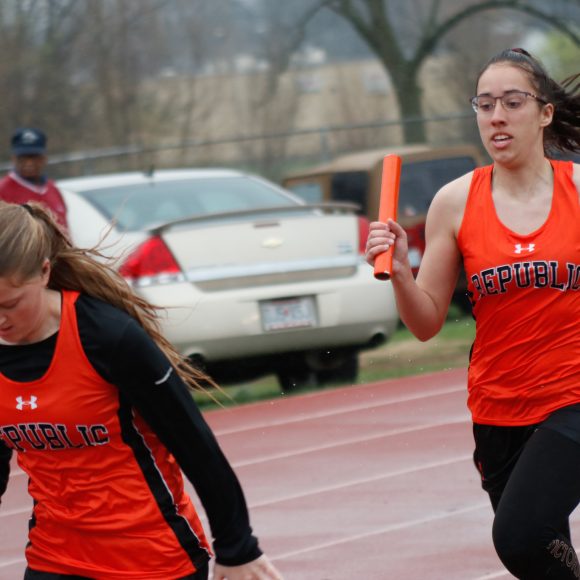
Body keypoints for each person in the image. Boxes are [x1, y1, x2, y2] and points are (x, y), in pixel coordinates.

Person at [366, 48, 580, 579]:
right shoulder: (454, 202)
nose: (496, 117)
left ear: (545, 113)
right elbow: (425, 324)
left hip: (572, 398)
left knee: (520, 536)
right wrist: (401, 272)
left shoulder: (579, 190)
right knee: (538, 554)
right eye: (485, 105)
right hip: (497, 409)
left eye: (512, 102)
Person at [0, 202, 283, 580]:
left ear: (45, 272)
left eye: (10, 304)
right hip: (56, 555)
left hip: (153, 558)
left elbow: (194, 444)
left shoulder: (108, 336)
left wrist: (238, 548)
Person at [0, 128, 68, 230]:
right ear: (13, 159)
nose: (29, 163)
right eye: (23, 157)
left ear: (44, 158)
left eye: (34, 157)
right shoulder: (2, 191)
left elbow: (65, 228)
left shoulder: (52, 188)